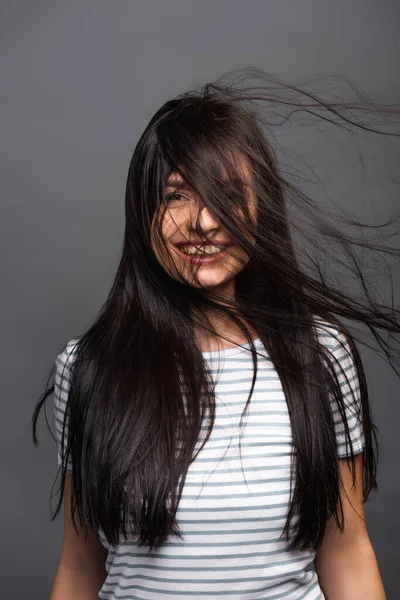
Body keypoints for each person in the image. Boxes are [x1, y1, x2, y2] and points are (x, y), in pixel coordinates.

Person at [32, 68, 400, 599]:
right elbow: (79, 565)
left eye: (227, 193)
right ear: (145, 213)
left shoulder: (320, 355)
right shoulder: (89, 366)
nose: (204, 221)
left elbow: (347, 552)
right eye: (177, 194)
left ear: (260, 208)